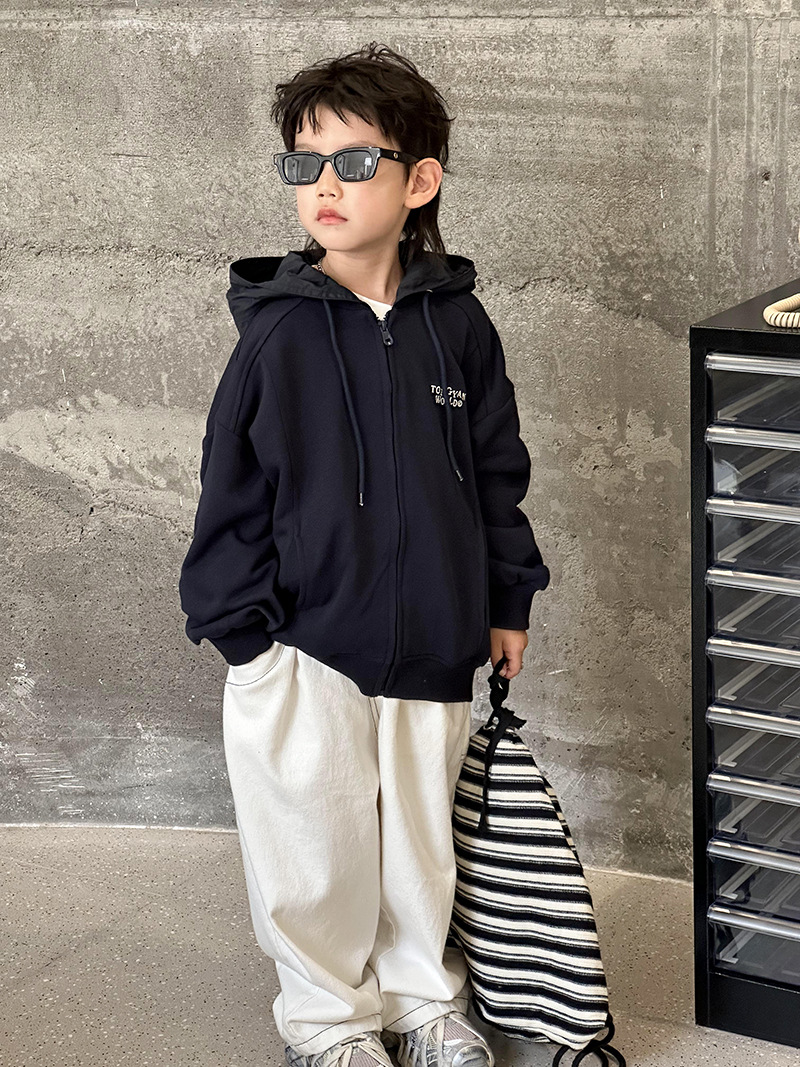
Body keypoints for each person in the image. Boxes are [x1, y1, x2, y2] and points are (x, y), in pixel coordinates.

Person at [179, 41, 551, 1067]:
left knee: (420, 844)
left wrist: (506, 599)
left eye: (352, 162)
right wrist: (245, 638)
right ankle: (330, 1022)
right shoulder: (277, 335)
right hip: (303, 642)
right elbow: (230, 488)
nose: (325, 187)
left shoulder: (459, 326)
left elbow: (495, 472)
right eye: (303, 165)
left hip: (435, 634)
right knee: (314, 848)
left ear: (418, 181)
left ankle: (425, 1001)